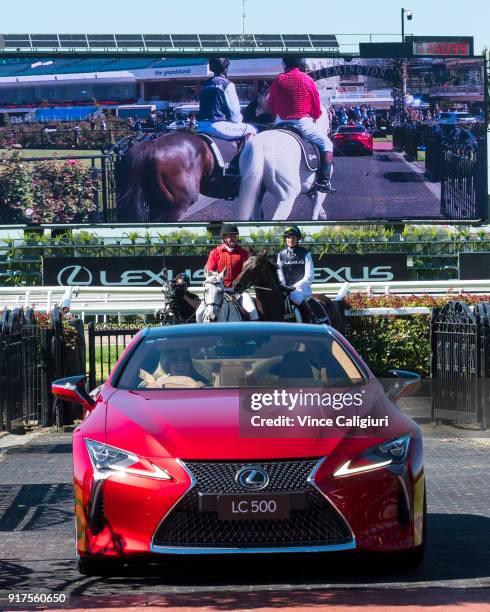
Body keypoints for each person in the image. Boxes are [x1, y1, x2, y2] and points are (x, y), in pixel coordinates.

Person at [268, 56, 334, 192]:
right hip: (302, 123)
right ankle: (324, 181)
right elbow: (316, 107)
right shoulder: (307, 79)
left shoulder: (278, 80)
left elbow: (271, 105)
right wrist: (315, 116)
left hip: (281, 123)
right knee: (327, 144)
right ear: (299, 64)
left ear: (284, 64)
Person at [196, 223, 259, 321]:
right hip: (219, 290)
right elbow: (210, 274)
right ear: (224, 237)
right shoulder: (215, 253)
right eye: (230, 236)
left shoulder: (243, 253)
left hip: (238, 292)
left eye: (235, 236)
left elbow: (248, 273)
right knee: (199, 313)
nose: (233, 238)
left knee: (253, 311)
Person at [197, 57, 257, 141]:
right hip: (218, 126)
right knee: (251, 129)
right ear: (225, 68)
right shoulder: (227, 84)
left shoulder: (205, 84)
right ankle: (245, 154)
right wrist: (238, 122)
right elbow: (235, 113)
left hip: (200, 126)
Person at [276, 226, 317, 323]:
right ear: (285, 239)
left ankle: (312, 318)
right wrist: (284, 287)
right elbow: (279, 274)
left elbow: (309, 276)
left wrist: (294, 286)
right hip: (285, 290)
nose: (291, 240)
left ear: (298, 238)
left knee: (295, 295)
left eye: (293, 237)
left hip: (301, 290)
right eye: (288, 237)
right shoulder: (280, 255)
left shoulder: (305, 253)